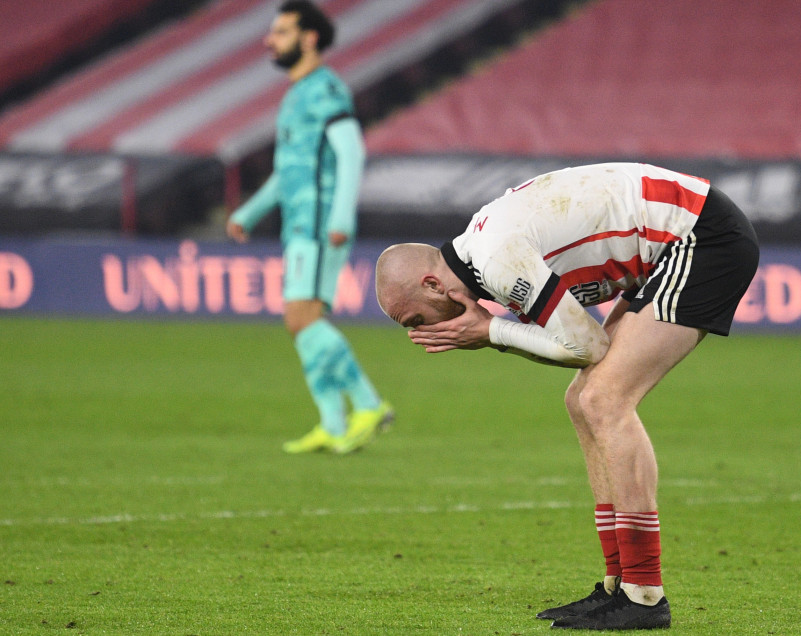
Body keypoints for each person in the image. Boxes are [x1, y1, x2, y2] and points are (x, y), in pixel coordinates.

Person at [375, 162, 759, 630]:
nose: (425, 332)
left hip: (701, 237)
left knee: (605, 400)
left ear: (433, 284)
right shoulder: (484, 256)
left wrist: (493, 330)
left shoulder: (496, 260)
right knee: (582, 400)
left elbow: (586, 345)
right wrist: (494, 331)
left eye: (416, 320)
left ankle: (643, 594)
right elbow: (575, 348)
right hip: (671, 241)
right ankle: (618, 586)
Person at [227, 1, 392, 454]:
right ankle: (334, 425)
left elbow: (351, 152)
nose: (269, 40)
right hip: (301, 222)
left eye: (280, 32)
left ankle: (368, 403)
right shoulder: (297, 93)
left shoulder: (325, 90)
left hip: (320, 222)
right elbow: (290, 171)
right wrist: (250, 213)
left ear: (309, 38)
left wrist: (340, 216)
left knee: (301, 318)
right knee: (302, 322)